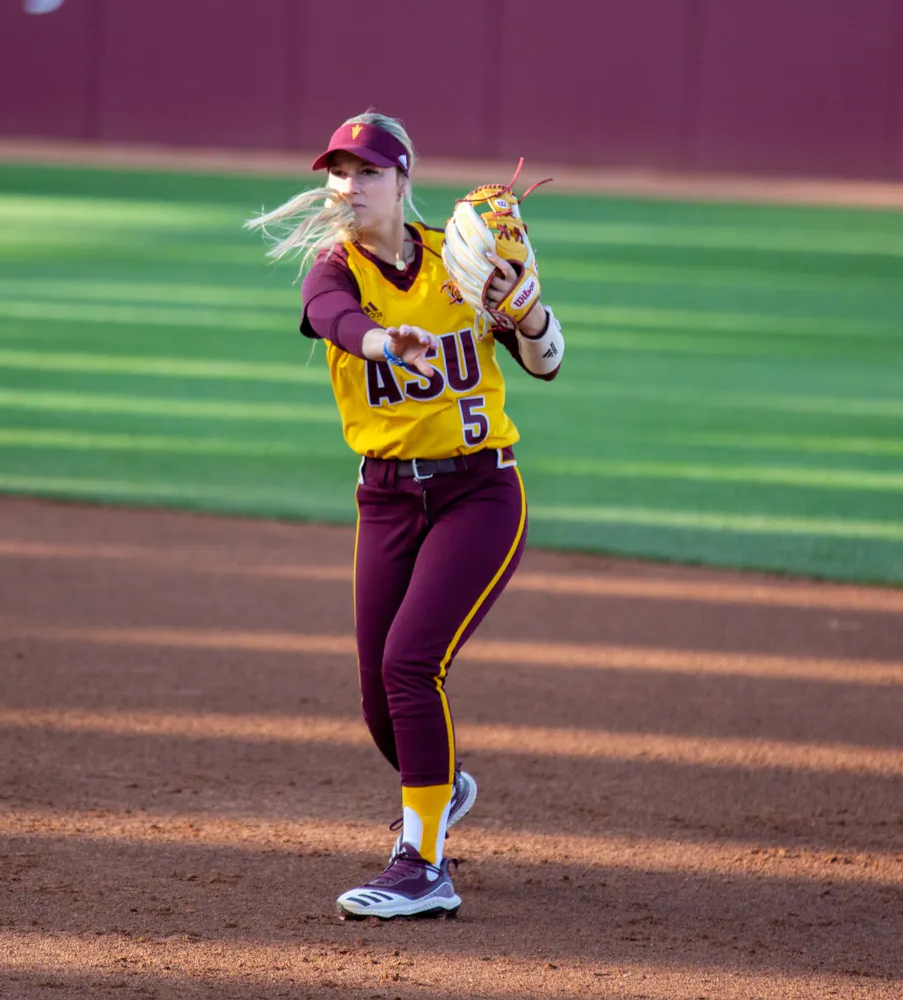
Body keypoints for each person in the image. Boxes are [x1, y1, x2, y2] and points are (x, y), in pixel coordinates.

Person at [245, 111, 565, 920]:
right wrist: (385, 343)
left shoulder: (461, 260)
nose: (348, 186)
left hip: (479, 492)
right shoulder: (333, 269)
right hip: (386, 499)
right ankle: (442, 786)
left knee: (411, 664)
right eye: (338, 172)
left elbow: (547, 362)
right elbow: (334, 320)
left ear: (402, 180)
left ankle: (424, 865)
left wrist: (529, 313)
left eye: (367, 172)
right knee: (378, 701)